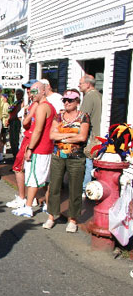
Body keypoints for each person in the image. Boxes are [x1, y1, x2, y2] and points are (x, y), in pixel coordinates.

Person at [43, 89, 89, 233]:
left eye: (71, 100)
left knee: (75, 188)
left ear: (77, 101)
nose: (67, 103)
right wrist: (71, 135)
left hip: (76, 157)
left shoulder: (83, 116)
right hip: (58, 155)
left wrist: (62, 135)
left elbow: (82, 137)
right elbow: (51, 135)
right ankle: (52, 216)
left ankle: (73, 219)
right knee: (54, 186)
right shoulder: (59, 116)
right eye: (65, 100)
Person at [12, 81, 56, 218]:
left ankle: (28, 207)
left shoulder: (43, 107)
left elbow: (37, 130)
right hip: (46, 147)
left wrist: (30, 148)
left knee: (34, 179)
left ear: (43, 91)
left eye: (35, 91)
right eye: (31, 91)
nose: (32, 94)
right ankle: (48, 205)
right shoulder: (47, 106)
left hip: (40, 148)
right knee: (45, 179)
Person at [78, 74, 101, 194]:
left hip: (91, 135)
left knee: (88, 162)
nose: (79, 85)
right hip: (97, 135)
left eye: (80, 83)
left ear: (88, 84)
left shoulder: (89, 96)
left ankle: (85, 188)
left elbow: (82, 116)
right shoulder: (98, 95)